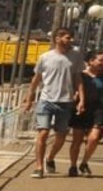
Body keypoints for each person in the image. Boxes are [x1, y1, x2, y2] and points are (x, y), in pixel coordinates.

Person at [22, 28, 85, 178]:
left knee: (60, 136)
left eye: (71, 38)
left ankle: (50, 158)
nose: (70, 40)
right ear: (57, 38)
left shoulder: (76, 57)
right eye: (67, 37)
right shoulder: (45, 57)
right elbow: (36, 80)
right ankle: (39, 167)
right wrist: (29, 99)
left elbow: (78, 80)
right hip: (46, 100)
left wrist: (81, 100)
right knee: (43, 133)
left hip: (66, 102)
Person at [71, 50, 103, 177]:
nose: (102, 63)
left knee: (94, 138)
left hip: (99, 111)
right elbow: (74, 89)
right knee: (77, 141)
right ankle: (73, 166)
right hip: (81, 110)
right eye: (100, 60)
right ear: (91, 61)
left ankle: (84, 163)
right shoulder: (80, 75)